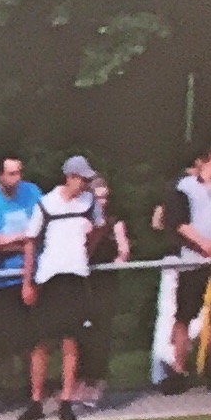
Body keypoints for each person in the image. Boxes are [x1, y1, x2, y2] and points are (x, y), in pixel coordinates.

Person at [21, 156, 103, 420]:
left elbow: (98, 229)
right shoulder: (46, 203)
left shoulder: (90, 203)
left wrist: (85, 253)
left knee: (71, 341)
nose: (86, 184)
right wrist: (28, 281)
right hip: (49, 278)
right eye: (82, 179)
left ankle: (66, 402)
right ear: (69, 177)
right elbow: (30, 242)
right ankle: (36, 402)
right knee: (41, 343)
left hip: (76, 277)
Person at [155, 142, 211, 392]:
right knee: (184, 316)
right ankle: (178, 369)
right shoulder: (185, 187)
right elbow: (178, 221)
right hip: (192, 260)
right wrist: (203, 244)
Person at [0, 157, 47, 418]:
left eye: (19, 173)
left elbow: (41, 232)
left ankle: (34, 392)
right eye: (11, 174)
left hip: (32, 275)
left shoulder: (33, 192)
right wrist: (24, 240)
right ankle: (5, 388)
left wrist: (16, 241)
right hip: (3, 279)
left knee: (35, 338)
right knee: (4, 340)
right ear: (0, 175)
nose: (16, 179)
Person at [81, 173, 131, 407]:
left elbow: (123, 249)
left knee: (101, 332)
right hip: (84, 282)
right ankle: (81, 380)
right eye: (98, 197)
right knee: (81, 333)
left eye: (105, 197)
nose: (103, 201)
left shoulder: (114, 221)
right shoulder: (83, 220)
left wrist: (121, 257)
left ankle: (98, 381)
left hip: (106, 283)